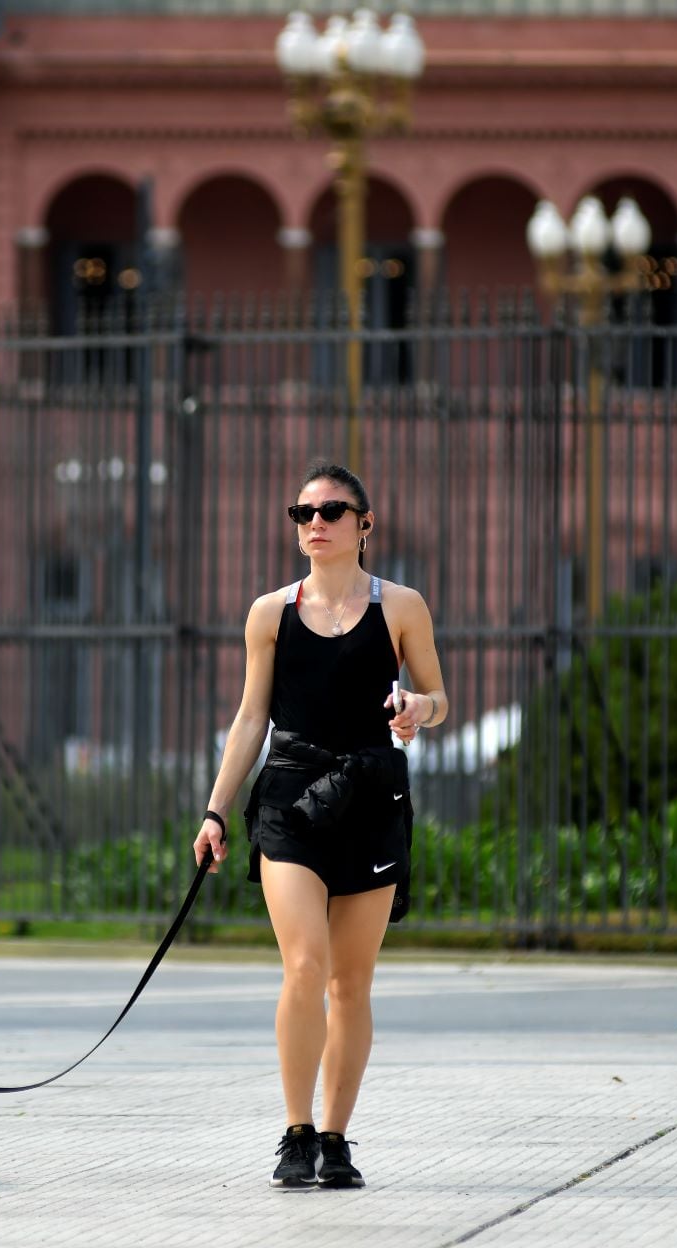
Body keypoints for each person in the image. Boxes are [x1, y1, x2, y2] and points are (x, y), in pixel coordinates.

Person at [192, 460, 448, 1190]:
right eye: (303, 512)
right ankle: (296, 1131)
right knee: (303, 964)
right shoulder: (269, 613)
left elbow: (439, 697)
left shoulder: (400, 607)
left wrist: (417, 711)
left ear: (365, 524)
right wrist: (214, 810)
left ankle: (336, 1140)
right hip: (291, 800)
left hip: (370, 797)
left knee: (350, 983)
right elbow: (249, 720)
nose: (315, 523)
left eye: (333, 511)